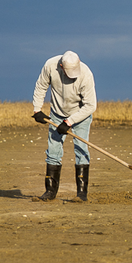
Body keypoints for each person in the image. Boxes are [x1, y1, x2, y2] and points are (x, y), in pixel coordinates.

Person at [31, 51, 97, 202]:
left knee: (81, 149)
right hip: (57, 113)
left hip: (80, 114)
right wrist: (37, 110)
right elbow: (41, 86)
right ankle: (50, 191)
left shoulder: (85, 73)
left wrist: (69, 122)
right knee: (53, 151)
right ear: (61, 66)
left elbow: (91, 106)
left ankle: (81, 194)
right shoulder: (50, 66)